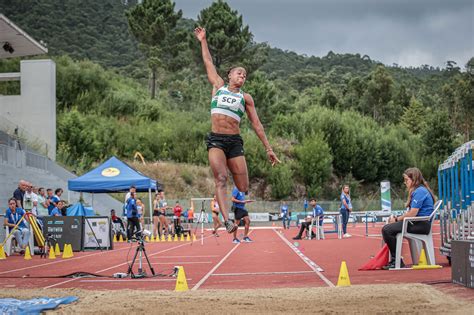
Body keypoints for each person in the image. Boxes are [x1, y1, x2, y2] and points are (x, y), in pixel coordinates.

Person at [194, 27, 280, 234]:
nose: (242, 75)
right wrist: (203, 40)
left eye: (245, 74)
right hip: (216, 140)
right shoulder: (218, 85)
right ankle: (227, 221)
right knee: (221, 178)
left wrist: (268, 148)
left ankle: (233, 181)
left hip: (234, 142)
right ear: (229, 75)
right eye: (239, 72)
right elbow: (208, 62)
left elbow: (257, 125)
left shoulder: (246, 98)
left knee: (243, 187)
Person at [381, 167, 435, 269]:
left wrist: (396, 219)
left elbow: (413, 213)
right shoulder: (419, 190)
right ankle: (395, 260)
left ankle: (396, 261)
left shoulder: (420, 191)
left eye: (406, 180)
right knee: (389, 227)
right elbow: (411, 213)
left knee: (387, 229)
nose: (405, 183)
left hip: (421, 225)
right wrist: (397, 219)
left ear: (414, 179)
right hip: (417, 223)